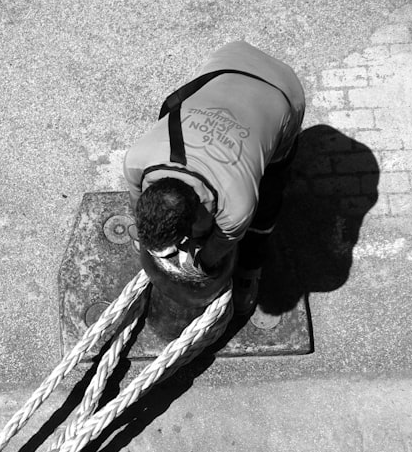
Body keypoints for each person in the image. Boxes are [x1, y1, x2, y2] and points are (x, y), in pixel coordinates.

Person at [123, 41, 305, 315]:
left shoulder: (236, 206)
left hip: (284, 93)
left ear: (196, 216)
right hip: (227, 62)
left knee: (267, 200)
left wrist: (202, 262)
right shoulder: (137, 161)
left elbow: (212, 254)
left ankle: (251, 267)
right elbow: (138, 207)